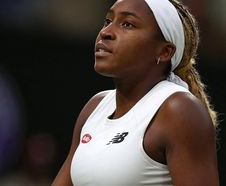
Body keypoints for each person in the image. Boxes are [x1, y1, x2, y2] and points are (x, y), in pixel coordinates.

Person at [52, 0, 219, 185]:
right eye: (108, 21)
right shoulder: (94, 107)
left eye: (127, 24)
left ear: (164, 51)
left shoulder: (179, 110)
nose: (105, 33)